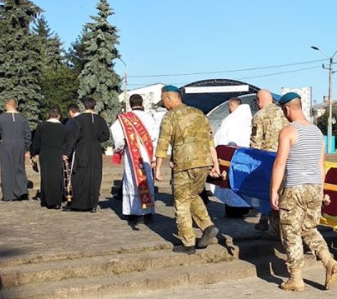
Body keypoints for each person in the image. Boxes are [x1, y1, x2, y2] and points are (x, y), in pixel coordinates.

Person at [270, 92, 337, 292]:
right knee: (309, 229)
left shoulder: (288, 131)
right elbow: (321, 165)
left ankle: (296, 279)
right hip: (315, 187)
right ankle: (329, 262)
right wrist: (320, 190)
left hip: (295, 188)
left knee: (291, 233)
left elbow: (279, 163)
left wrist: (274, 190)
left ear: (286, 109)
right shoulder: (318, 132)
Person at [154, 86, 220, 253]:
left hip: (183, 164)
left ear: (170, 98)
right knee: (192, 195)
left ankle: (188, 243)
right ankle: (207, 226)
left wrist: (158, 167)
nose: (164, 103)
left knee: (181, 202)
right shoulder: (199, 113)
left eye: (164, 99)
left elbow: (163, 142)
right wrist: (215, 164)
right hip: (204, 162)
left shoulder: (170, 116)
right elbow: (210, 140)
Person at [110, 94, 158, 226]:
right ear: (142, 103)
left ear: (130, 104)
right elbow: (154, 138)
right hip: (147, 155)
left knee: (132, 181)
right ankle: (147, 212)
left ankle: (134, 212)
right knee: (146, 181)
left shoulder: (123, 118)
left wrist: (119, 148)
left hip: (132, 154)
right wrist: (154, 157)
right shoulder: (150, 118)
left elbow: (117, 136)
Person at [250, 89, 289, 234]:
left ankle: (273, 229)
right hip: (286, 158)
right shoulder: (284, 113)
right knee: (282, 192)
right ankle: (271, 222)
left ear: (259, 100)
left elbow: (255, 143)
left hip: (267, 160)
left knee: (269, 194)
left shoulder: (259, 116)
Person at [63, 97, 110, 212]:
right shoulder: (100, 119)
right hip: (95, 149)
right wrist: (96, 139)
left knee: (79, 174)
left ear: (84, 106)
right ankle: (92, 204)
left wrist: (67, 153)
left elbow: (73, 137)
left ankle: (78, 204)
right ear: (94, 106)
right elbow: (106, 135)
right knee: (94, 176)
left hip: (82, 148)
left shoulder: (78, 119)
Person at [212, 97, 253, 218]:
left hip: (231, 157)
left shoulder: (230, 120)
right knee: (243, 182)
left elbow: (221, 138)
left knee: (231, 183)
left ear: (231, 105)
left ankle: (233, 210)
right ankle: (244, 208)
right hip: (246, 158)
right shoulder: (249, 119)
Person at [0, 98, 32, 201]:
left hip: (6, 143)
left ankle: (9, 195)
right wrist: (26, 145)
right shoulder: (22, 118)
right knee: (19, 167)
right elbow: (28, 134)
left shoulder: (1, 118)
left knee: (7, 168)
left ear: (7, 105)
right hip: (20, 143)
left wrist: (2, 136)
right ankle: (22, 191)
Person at [30, 108, 67, 209]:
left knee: (46, 176)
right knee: (57, 176)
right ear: (58, 116)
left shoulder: (42, 126)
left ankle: (46, 200)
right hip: (58, 153)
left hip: (45, 153)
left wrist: (33, 153)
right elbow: (66, 142)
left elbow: (36, 141)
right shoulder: (63, 127)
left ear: (48, 115)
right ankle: (57, 200)